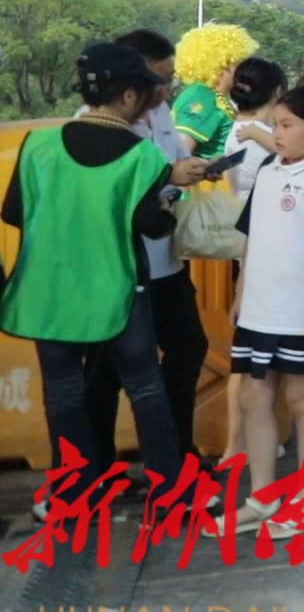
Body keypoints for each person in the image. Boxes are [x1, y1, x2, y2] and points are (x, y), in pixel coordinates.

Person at [3, 43, 202, 516]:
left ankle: (73, 496)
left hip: (47, 291)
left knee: (63, 393)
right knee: (145, 388)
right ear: (129, 96)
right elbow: (151, 225)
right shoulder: (141, 156)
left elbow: (13, 212)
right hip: (116, 291)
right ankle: (170, 494)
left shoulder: (38, 145)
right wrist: (167, 206)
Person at [224, 83, 304, 538]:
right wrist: (241, 292)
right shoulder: (269, 169)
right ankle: (262, 498)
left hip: (302, 312)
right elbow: (252, 237)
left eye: (286, 125)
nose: (276, 133)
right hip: (260, 308)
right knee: (253, 397)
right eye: (275, 124)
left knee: (303, 399)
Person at [83, 30, 210, 475]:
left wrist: (190, 173)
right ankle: (97, 468)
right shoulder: (91, 125)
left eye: (169, 79)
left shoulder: (161, 114)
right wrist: (167, 177)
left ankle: (177, 455)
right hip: (115, 268)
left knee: (188, 349)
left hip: (165, 263)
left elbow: (172, 165)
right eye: (159, 78)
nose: (165, 88)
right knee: (105, 371)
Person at [217, 57, 287, 466]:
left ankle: (238, 443)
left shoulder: (232, 134)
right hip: (270, 253)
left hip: (247, 250)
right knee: (263, 363)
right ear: (277, 92)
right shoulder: (266, 137)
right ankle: (249, 442)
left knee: (247, 359)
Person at [172, 24, 258, 160]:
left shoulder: (219, 98)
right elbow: (179, 153)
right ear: (224, 63)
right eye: (239, 62)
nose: (244, 68)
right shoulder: (203, 96)